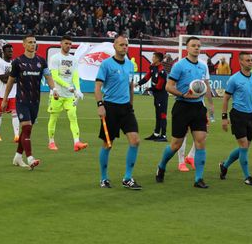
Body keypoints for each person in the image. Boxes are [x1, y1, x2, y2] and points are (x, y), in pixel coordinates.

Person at [155, 36, 211, 188]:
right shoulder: (179, 66)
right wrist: (183, 94)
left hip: (198, 107)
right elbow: (169, 86)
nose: (196, 48)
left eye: (198, 45)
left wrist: (210, 106)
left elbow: (206, 86)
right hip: (182, 106)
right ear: (187, 48)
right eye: (193, 45)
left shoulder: (203, 66)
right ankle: (161, 166)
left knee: (201, 141)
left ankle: (198, 179)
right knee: (176, 144)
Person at [2, 34, 59, 170]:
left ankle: (17, 156)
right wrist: (5, 99)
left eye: (34, 42)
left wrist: (54, 89)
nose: (32, 44)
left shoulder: (41, 61)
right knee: (26, 128)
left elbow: (48, 76)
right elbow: (10, 81)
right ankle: (30, 158)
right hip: (22, 100)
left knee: (26, 130)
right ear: (24, 44)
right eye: (29, 42)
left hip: (35, 101)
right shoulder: (17, 62)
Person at [95, 36, 142, 189]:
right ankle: (103, 178)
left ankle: (127, 178)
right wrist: (100, 105)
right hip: (110, 108)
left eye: (126, 45)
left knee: (135, 141)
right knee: (108, 144)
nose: (124, 47)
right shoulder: (106, 64)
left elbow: (130, 85)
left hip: (126, 109)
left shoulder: (129, 64)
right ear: (114, 46)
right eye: (121, 44)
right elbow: (97, 87)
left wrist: (131, 105)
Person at [219, 52, 252, 186]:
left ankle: (224, 165)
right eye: (247, 60)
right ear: (241, 62)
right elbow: (225, 98)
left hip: (250, 116)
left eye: (251, 60)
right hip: (237, 115)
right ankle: (247, 176)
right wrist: (224, 117)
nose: (250, 62)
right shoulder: (234, 79)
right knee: (243, 145)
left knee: (245, 147)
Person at [47, 36, 88, 152]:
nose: (69, 46)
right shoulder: (55, 58)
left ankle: (77, 142)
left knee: (73, 117)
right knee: (54, 117)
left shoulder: (73, 59)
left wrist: (78, 89)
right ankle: (51, 142)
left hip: (70, 95)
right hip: (57, 94)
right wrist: (68, 86)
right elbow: (54, 76)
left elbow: (75, 75)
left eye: (70, 44)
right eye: (66, 43)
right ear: (61, 44)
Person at [137, 51, 168, 142]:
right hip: (157, 96)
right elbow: (147, 77)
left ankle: (164, 135)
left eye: (153, 57)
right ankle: (156, 134)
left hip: (162, 96)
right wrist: (137, 84)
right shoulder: (152, 67)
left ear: (158, 59)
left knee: (162, 115)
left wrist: (149, 88)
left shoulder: (162, 71)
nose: (152, 59)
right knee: (158, 115)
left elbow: (159, 86)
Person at [0, 43, 20, 142]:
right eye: (9, 51)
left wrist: (11, 76)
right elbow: (3, 79)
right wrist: (14, 75)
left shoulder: (15, 63)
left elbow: (19, 78)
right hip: (1, 93)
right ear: (3, 52)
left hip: (14, 93)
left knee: (15, 113)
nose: (11, 53)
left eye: (12, 51)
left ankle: (16, 135)